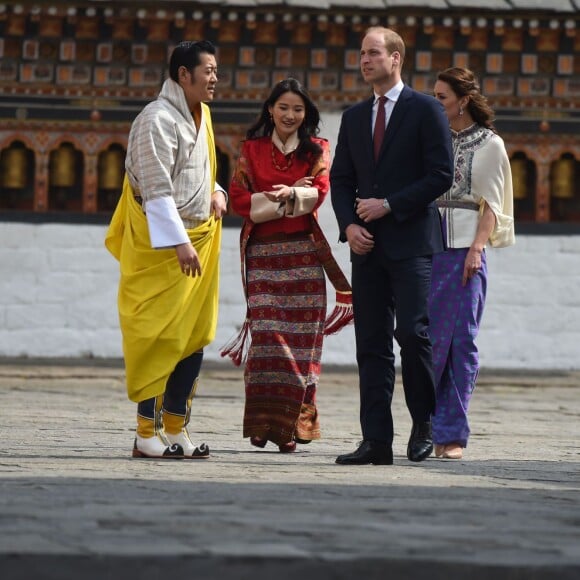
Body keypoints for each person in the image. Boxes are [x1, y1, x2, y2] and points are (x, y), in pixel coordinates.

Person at [330, 26, 454, 465]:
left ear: (396, 58)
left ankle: (424, 422)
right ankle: (376, 441)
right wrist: (348, 226)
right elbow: (340, 180)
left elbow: (441, 174)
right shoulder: (353, 117)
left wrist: (389, 205)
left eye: (374, 52)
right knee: (372, 343)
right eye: (362, 53)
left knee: (413, 334)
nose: (365, 60)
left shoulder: (424, 110)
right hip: (366, 248)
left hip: (412, 243)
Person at [105, 40, 227, 459]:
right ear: (183, 75)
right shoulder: (155, 120)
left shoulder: (203, 115)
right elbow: (156, 192)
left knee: (193, 337)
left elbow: (206, 168)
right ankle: (145, 431)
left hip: (202, 238)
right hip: (168, 248)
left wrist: (217, 192)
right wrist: (178, 244)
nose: (214, 78)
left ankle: (176, 427)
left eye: (215, 70)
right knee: (159, 336)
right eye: (207, 71)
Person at [221, 78, 353, 453]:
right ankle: (264, 423)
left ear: (306, 114)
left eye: (298, 109)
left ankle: (292, 427)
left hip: (304, 257)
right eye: (283, 108)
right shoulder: (252, 149)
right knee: (265, 338)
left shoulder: (317, 149)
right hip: (263, 256)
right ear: (270, 110)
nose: (290, 115)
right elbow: (239, 199)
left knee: (301, 346)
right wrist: (289, 194)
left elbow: (319, 193)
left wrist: (293, 193)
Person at [430, 67, 515, 460]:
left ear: (462, 100)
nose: (436, 103)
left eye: (442, 96)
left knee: (461, 343)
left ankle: (453, 434)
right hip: (428, 249)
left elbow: (492, 205)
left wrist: (477, 249)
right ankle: (428, 427)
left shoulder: (491, 144)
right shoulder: (432, 138)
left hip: (466, 253)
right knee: (431, 345)